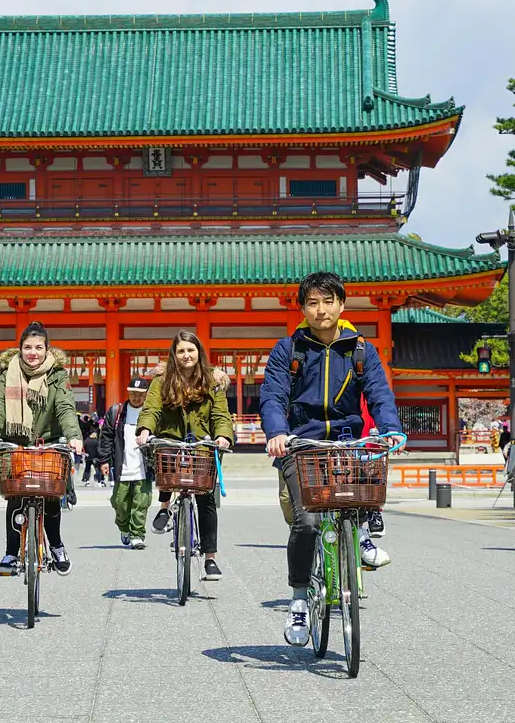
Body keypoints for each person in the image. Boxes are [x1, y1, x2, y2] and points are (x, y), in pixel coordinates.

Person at [260, 271, 405, 647]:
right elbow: (273, 396)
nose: (320, 309)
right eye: (312, 302)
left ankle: (362, 536)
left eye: (328, 301)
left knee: (361, 495)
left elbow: (378, 393)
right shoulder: (288, 349)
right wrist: (277, 433)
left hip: (347, 439)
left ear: (342, 304)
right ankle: (297, 601)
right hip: (301, 442)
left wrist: (390, 427)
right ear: (303, 308)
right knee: (306, 522)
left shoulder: (360, 350)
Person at [0, 320, 83, 576]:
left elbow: (65, 407)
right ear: (20, 349)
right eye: (27, 347)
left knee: (49, 494)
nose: (32, 353)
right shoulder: (8, 374)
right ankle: (11, 552)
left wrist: (73, 436)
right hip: (16, 442)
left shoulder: (57, 375)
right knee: (16, 496)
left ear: (47, 349)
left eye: (38, 347)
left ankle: (56, 545)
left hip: (48, 442)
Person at [136, 330, 233, 580]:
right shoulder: (161, 381)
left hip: (203, 443)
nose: (186, 355)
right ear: (174, 354)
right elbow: (152, 408)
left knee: (206, 499)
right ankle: (164, 506)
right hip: (172, 439)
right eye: (181, 351)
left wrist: (223, 436)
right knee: (165, 456)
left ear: (198, 352)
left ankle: (210, 558)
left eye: (191, 350)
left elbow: (221, 415)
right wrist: (145, 428)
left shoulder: (213, 382)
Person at [97, 376, 153, 549]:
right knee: (119, 502)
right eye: (133, 393)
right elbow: (106, 437)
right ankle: (124, 528)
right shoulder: (117, 412)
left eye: (140, 394)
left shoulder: (150, 414)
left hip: (144, 467)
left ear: (146, 395)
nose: (136, 397)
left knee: (141, 503)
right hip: (123, 465)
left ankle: (137, 535)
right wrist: (104, 460)